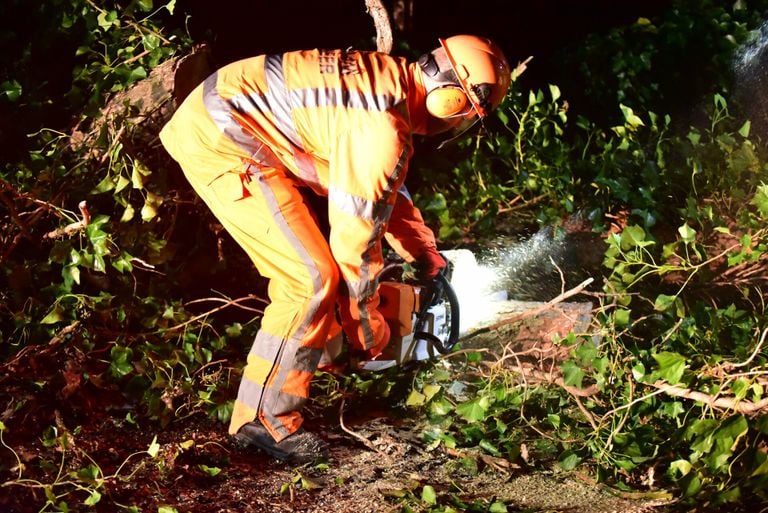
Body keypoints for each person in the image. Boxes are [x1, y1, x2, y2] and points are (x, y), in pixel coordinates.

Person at [159, 35, 510, 463]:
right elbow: (357, 243)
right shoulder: (381, 126)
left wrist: (426, 257)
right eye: (468, 114)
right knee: (308, 279)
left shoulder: (389, 88)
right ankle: (263, 420)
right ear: (454, 98)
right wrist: (368, 333)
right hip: (224, 138)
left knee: (321, 276)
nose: (460, 123)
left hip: (243, 124)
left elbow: (386, 194)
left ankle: (310, 360)